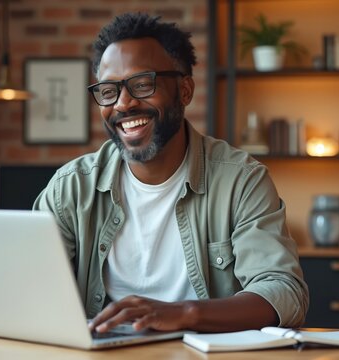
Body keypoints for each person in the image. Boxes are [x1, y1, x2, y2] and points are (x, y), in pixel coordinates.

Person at [33, 12, 308, 334]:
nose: (123, 104)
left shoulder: (240, 180)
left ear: (185, 91)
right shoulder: (71, 188)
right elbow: (28, 284)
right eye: (109, 91)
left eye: (142, 84)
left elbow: (284, 292)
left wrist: (187, 314)